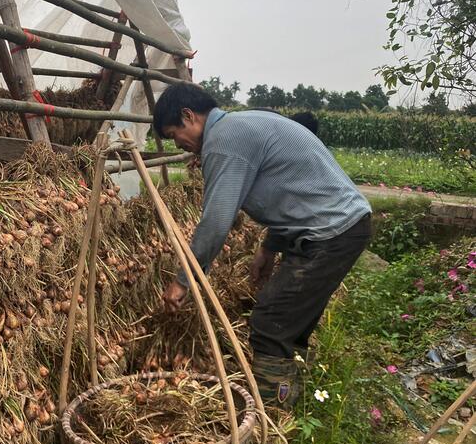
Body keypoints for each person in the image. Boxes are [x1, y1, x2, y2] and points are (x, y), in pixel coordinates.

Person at [153, 83, 371, 409]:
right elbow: (288, 190)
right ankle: (294, 402)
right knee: (290, 324)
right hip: (338, 228)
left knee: (271, 323)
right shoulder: (240, 127)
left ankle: (272, 414)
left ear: (189, 116)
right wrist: (269, 249)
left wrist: (184, 281)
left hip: (330, 233)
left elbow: (215, 223)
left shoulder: (224, 140)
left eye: (173, 134)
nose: (178, 144)